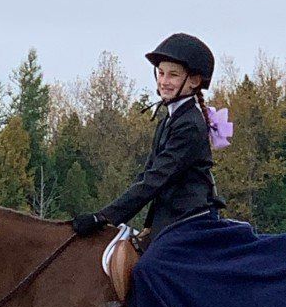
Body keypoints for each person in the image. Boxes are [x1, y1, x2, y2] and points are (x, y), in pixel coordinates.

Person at [72, 33, 225, 237]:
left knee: (148, 268)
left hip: (188, 220)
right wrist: (146, 224)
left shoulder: (189, 125)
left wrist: (103, 217)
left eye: (173, 75)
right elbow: (146, 175)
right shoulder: (168, 121)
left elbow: (156, 179)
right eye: (161, 73)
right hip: (169, 219)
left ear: (194, 81)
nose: (164, 81)